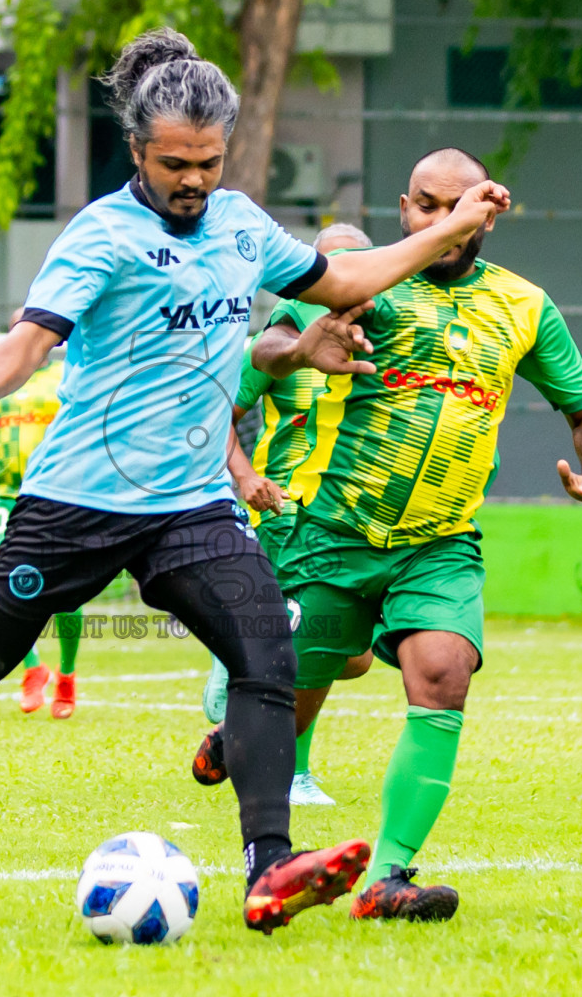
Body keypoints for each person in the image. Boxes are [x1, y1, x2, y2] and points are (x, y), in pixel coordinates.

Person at [0, 30, 510, 934]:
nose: (193, 180)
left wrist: (453, 227)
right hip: (78, 502)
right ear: (138, 150)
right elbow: (32, 335)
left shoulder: (243, 226)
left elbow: (346, 279)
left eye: (208, 163)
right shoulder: (102, 234)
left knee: (268, 651)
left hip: (189, 507)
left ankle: (270, 866)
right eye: (175, 163)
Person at [194, 147, 582, 922]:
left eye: (457, 206)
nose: (441, 220)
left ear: (487, 211)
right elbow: (260, 354)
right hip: (331, 533)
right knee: (291, 700)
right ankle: (244, 749)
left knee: (444, 673)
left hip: (440, 541)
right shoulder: (363, 277)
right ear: (404, 207)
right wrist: (300, 349)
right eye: (425, 205)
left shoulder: (524, 307)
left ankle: (388, 876)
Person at [206, 223, 377, 808]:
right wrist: (247, 476)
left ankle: (233, 663)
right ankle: (293, 773)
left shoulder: (380, 335)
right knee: (307, 643)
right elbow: (218, 411)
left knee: (354, 657)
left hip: (352, 517)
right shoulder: (283, 335)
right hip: (288, 512)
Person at [0, 309, 86, 719]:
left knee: (65, 588)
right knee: (3, 576)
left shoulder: (67, 378)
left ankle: (68, 674)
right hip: (5, 494)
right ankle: (32, 669)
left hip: (58, 494)